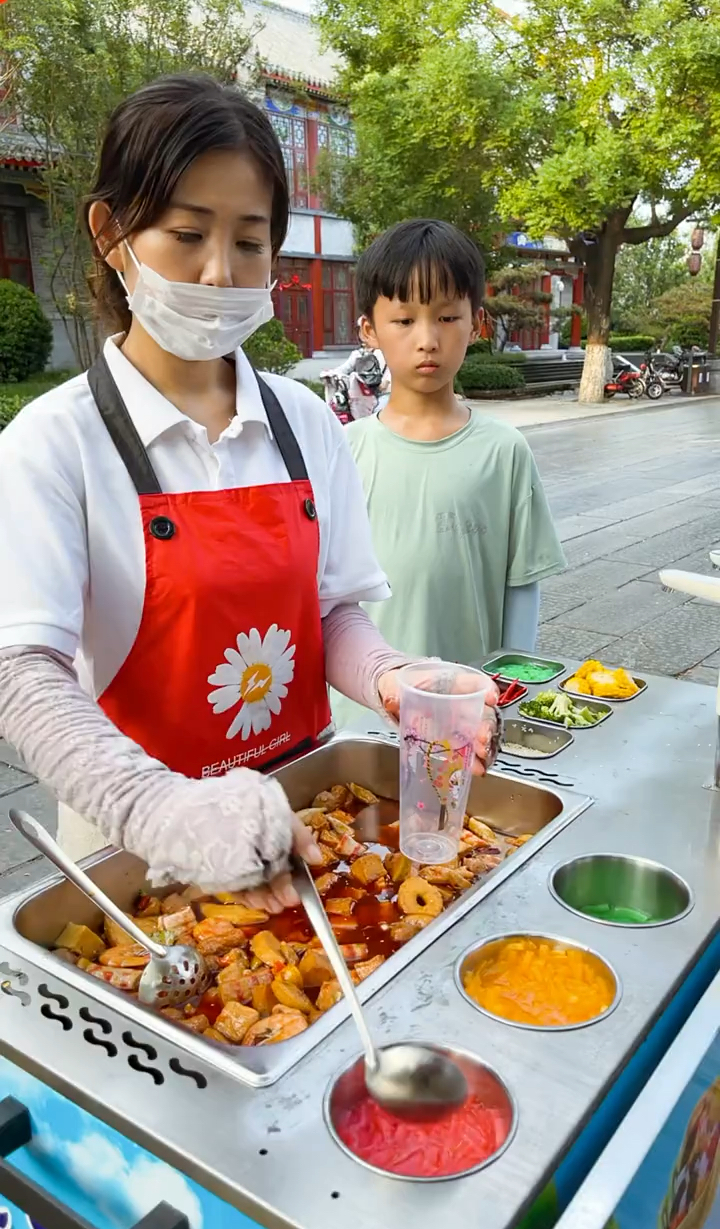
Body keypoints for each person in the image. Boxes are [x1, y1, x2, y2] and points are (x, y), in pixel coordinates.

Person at [0, 79, 498, 910]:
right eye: (187, 234)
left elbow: (331, 613)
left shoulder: (304, 422)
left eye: (250, 242)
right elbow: (23, 670)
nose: (220, 272)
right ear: (111, 232)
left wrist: (395, 679)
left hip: (303, 816)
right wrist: (157, 808)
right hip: (143, 857)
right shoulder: (55, 443)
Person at [331, 218, 565, 727]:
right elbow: (328, 599)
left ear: (476, 322)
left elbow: (521, 584)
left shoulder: (504, 452)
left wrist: (510, 694)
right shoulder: (342, 453)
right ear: (368, 327)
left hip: (468, 718)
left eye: (446, 317)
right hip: (363, 718)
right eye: (404, 320)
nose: (427, 340)